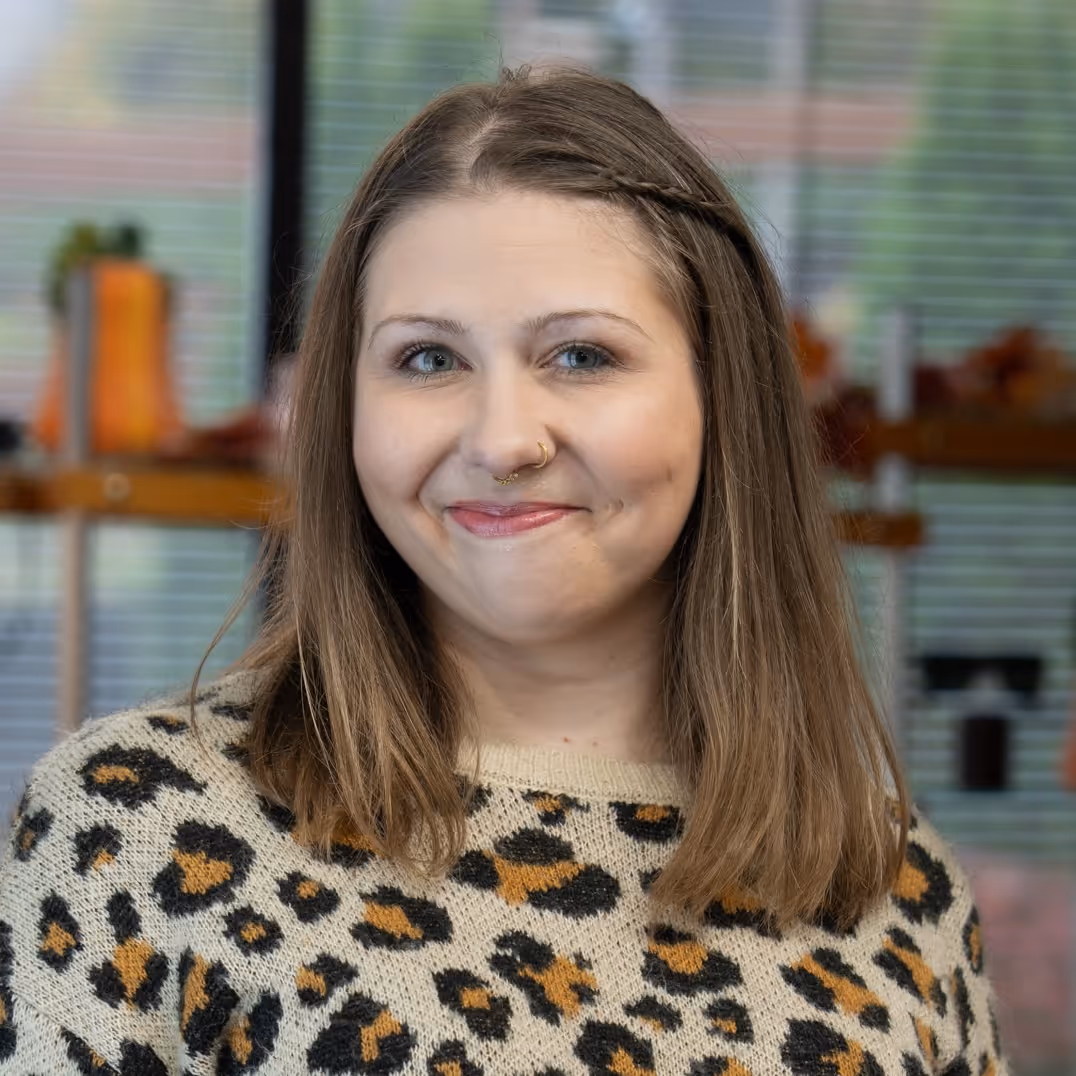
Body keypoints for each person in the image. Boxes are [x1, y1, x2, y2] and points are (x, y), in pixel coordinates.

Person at [0, 66, 1008, 1075]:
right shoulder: (137, 827)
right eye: (429, 359)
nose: (502, 439)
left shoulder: (893, 889)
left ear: (720, 396)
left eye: (578, 355)